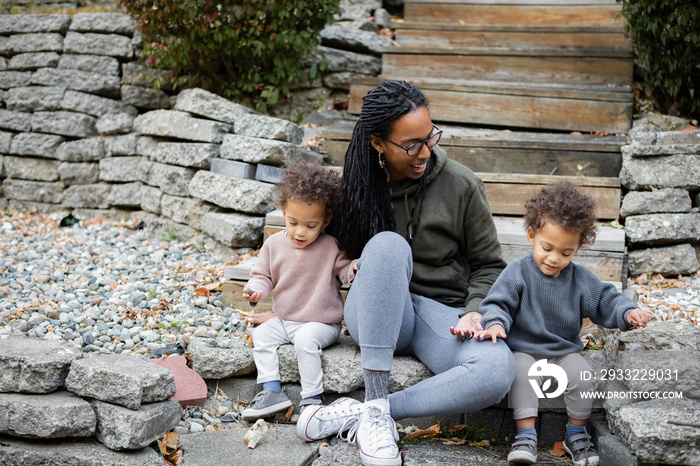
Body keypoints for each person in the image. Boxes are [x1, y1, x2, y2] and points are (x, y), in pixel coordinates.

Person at [296, 80, 516, 466]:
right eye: (411, 144)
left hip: (439, 315)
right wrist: (291, 312)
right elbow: (325, 256)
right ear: (377, 143)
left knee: (497, 369)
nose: (425, 152)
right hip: (376, 314)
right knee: (387, 245)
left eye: (429, 137)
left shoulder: (461, 184)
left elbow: (488, 265)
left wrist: (475, 308)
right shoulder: (357, 186)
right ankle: (376, 398)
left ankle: (374, 411)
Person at [474, 181, 651, 465]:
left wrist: (628, 312)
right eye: (547, 248)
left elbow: (606, 298)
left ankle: (575, 434)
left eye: (566, 253)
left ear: (578, 247)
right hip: (523, 350)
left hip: (563, 353)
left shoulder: (579, 280)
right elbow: (498, 303)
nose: (554, 258)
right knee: (519, 372)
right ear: (531, 235)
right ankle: (526, 435)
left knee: (584, 374)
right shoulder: (518, 271)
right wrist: (495, 323)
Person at [240, 162, 357, 421]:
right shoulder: (274, 245)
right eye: (293, 222)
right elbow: (261, 276)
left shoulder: (331, 247)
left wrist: (355, 268)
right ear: (283, 211)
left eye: (311, 225)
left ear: (326, 221)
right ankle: (272, 392)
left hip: (321, 323)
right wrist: (256, 290)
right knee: (262, 337)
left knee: (305, 342)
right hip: (283, 320)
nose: (300, 232)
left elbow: (345, 271)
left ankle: (312, 400)